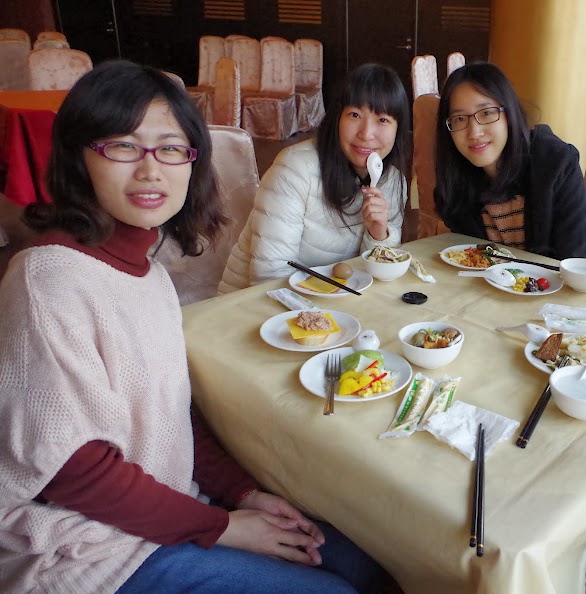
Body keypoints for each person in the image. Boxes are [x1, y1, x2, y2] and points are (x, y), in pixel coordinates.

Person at [0, 61, 387, 594]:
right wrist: (224, 527)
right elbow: (73, 471)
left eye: (171, 148)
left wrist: (245, 495)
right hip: (84, 549)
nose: (150, 170)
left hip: (167, 508)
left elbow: (170, 418)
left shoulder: (151, 276)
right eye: (123, 146)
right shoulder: (49, 279)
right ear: (78, 158)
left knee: (365, 562)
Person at [219, 63, 411, 293]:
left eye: (383, 120)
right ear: (337, 118)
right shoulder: (295, 169)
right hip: (254, 304)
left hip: (338, 301)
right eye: (355, 115)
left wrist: (378, 234)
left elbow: (374, 277)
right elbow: (269, 276)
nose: (366, 134)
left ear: (398, 129)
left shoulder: (393, 181)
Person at [434, 62, 586, 260]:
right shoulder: (455, 188)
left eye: (487, 113)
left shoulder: (557, 164)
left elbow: (575, 260)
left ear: (509, 114)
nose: (474, 132)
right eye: (459, 119)